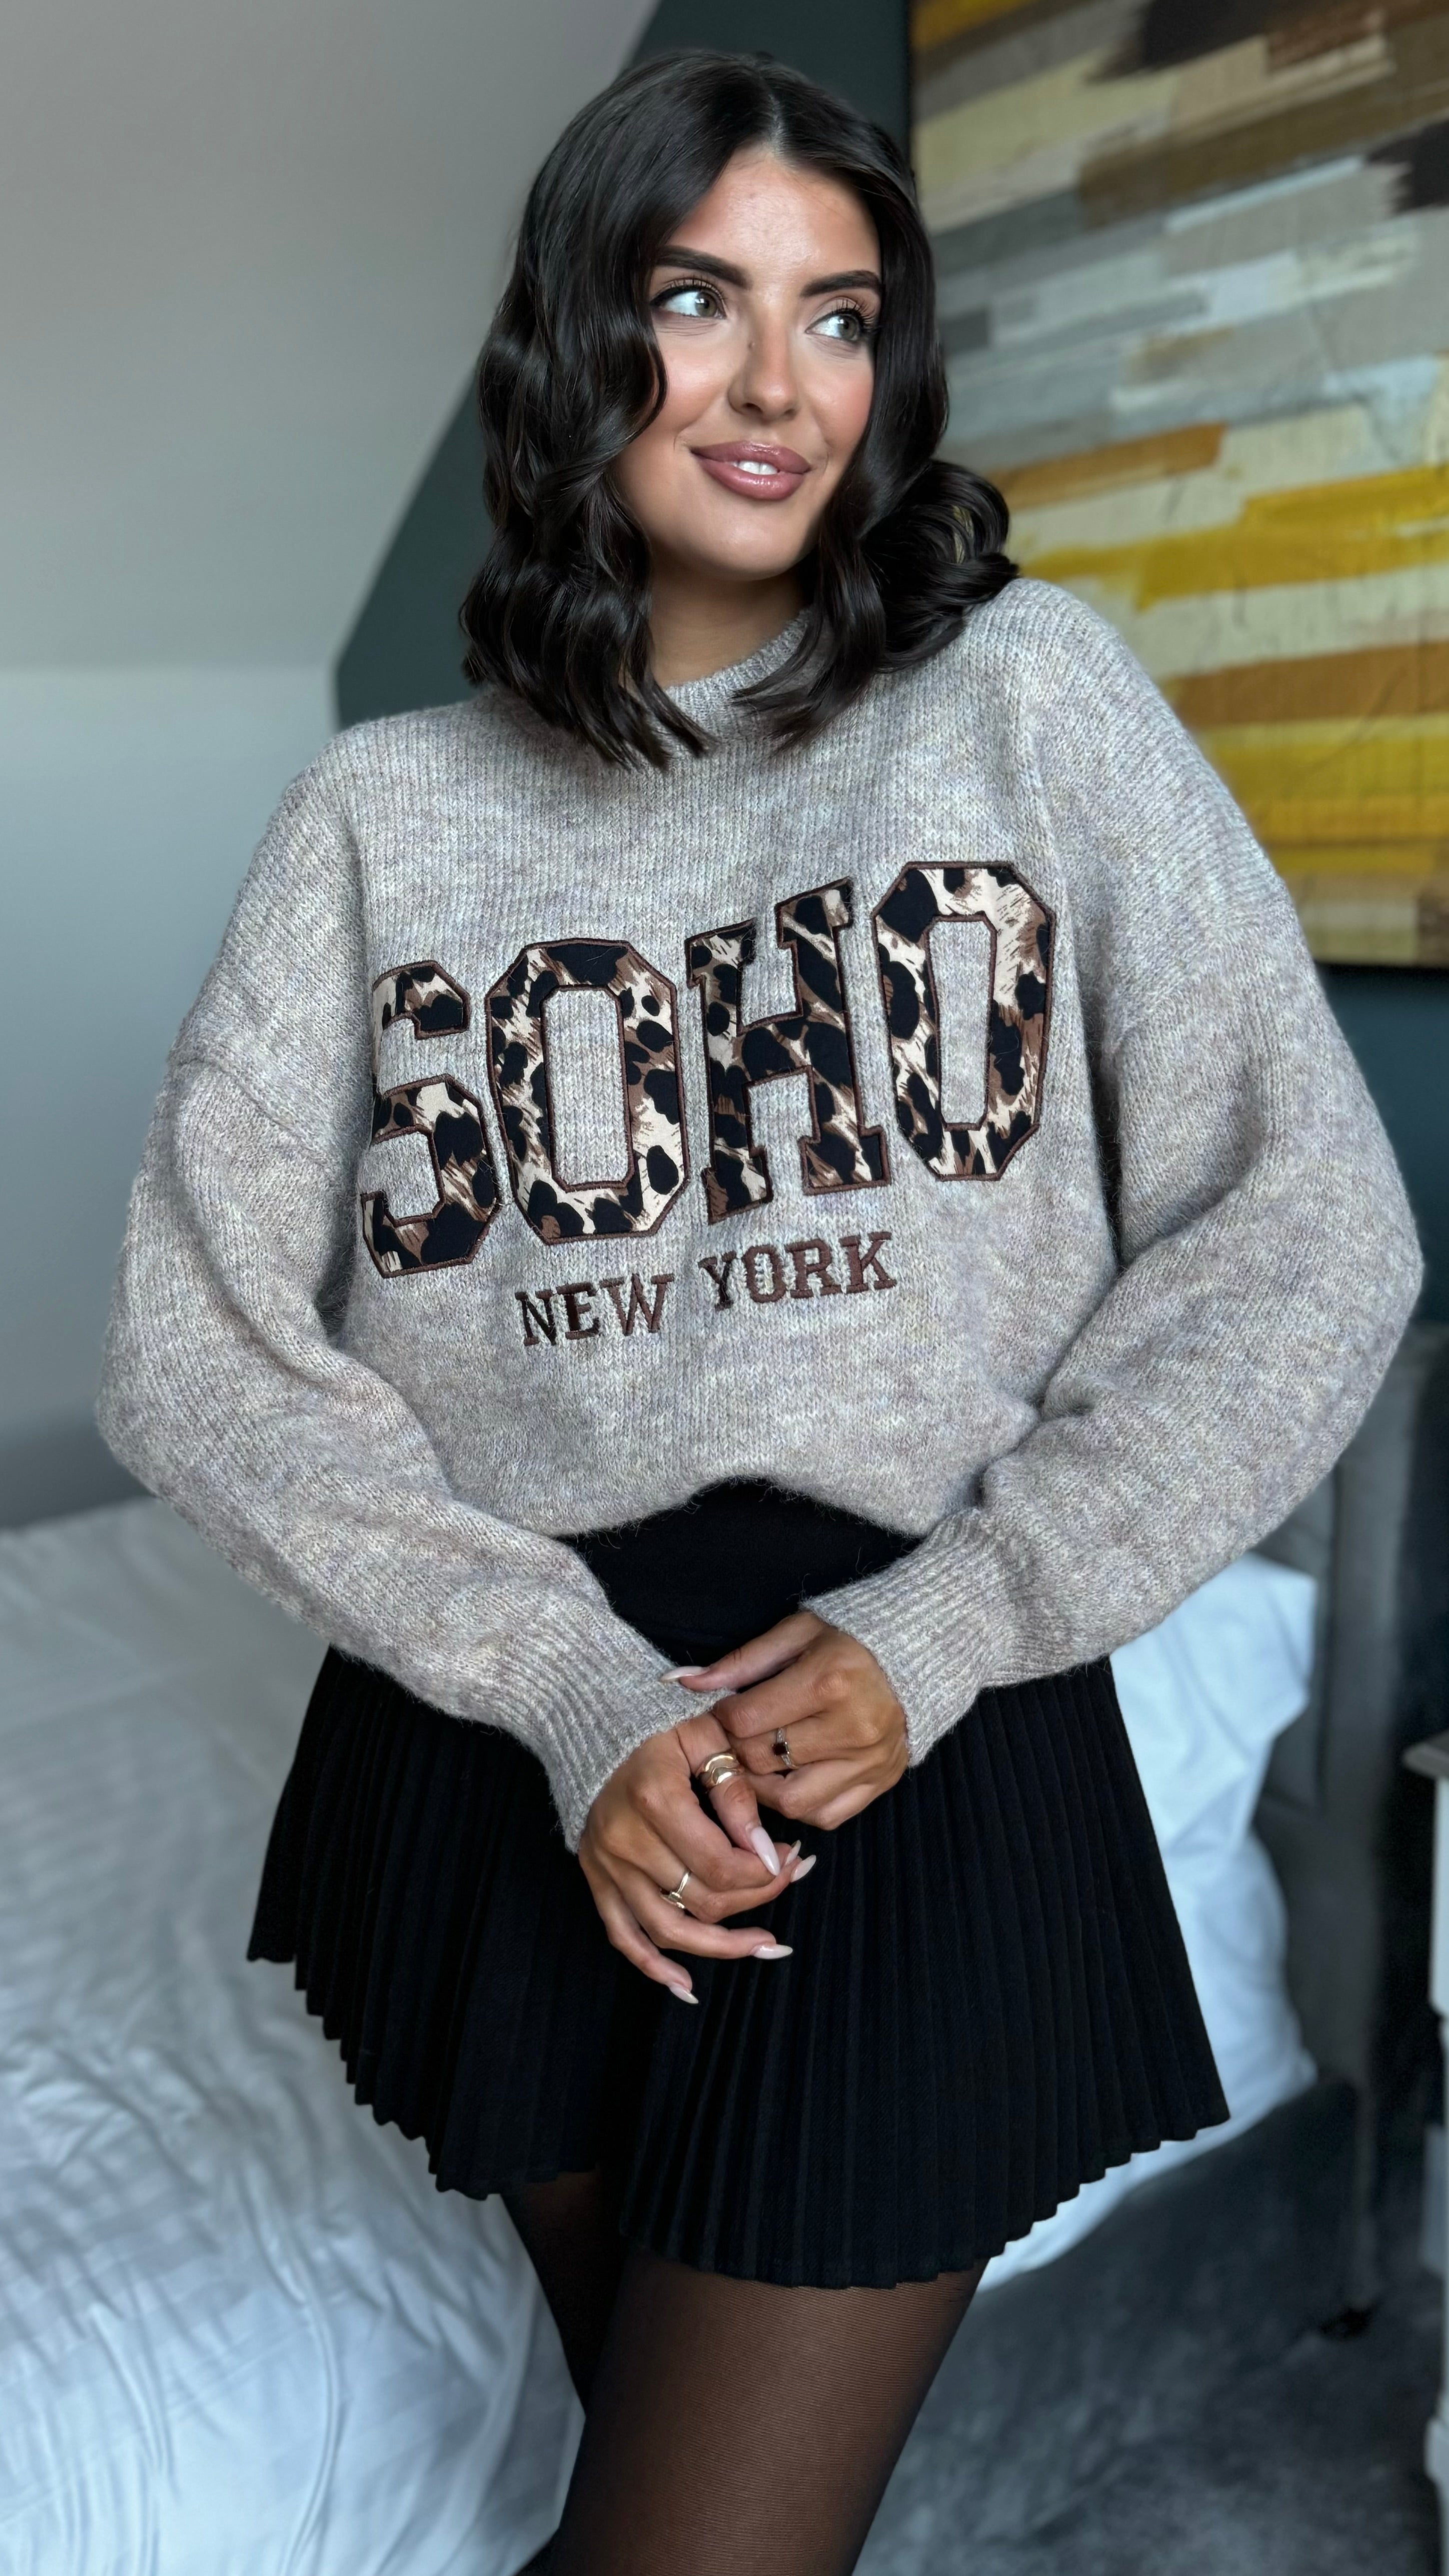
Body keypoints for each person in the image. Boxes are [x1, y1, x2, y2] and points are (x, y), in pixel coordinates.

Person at [99, 48, 1421, 2576]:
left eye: (837, 314)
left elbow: (1308, 1228)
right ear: (573, 335)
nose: (774, 382)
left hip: (898, 1714)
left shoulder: (1025, 704)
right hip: (508, 1733)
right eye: (696, 297)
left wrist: (963, 1617)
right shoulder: (382, 811)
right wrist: (559, 1684)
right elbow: (193, 1341)